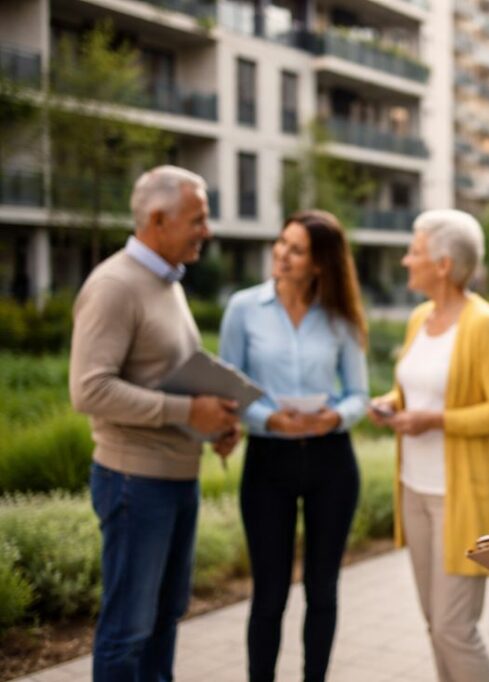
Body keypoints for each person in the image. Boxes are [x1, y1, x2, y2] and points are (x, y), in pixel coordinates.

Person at [70, 165, 241, 681]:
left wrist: (214, 422)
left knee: (165, 620)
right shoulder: (114, 285)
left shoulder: (166, 281)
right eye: (198, 219)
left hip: (174, 480)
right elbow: (89, 389)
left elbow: (165, 374)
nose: (206, 232)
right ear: (158, 218)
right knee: (128, 633)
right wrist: (189, 412)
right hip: (133, 483)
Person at [369, 209, 489, 682]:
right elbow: (419, 387)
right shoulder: (420, 318)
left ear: (443, 264)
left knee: (454, 628)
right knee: (437, 625)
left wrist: (432, 420)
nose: (404, 259)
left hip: (461, 499)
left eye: (413, 251)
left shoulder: (484, 323)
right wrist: (392, 403)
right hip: (415, 491)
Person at [218, 209, 369, 682]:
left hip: (331, 462)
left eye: (296, 249)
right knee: (269, 593)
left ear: (320, 263)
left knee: (322, 590)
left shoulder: (340, 316)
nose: (281, 254)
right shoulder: (243, 309)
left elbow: (359, 394)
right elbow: (229, 391)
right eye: (281, 243)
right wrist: (269, 420)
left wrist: (335, 416)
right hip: (269, 462)